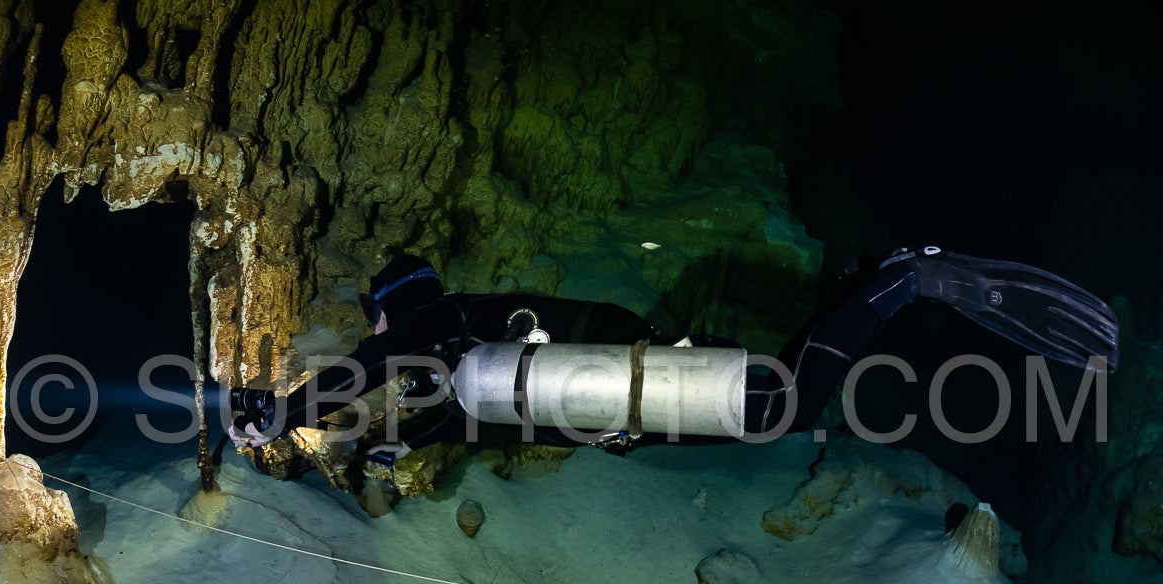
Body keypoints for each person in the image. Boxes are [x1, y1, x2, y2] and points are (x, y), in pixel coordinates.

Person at [229, 247, 1120, 458]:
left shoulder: (438, 321)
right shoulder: (457, 343)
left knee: (784, 409)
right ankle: (874, 286)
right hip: (622, 387)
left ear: (399, 304)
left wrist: (279, 412)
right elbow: (465, 409)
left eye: (376, 316)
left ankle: (901, 282)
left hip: (627, 370)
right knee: (776, 404)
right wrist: (408, 442)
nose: (375, 333)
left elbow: (365, 372)